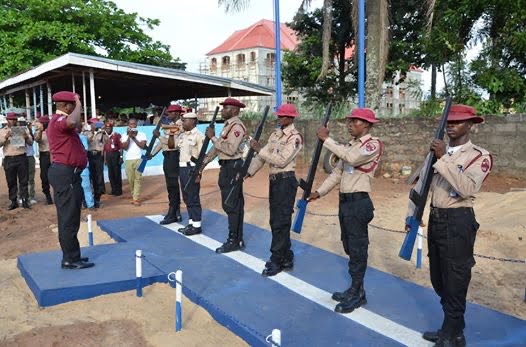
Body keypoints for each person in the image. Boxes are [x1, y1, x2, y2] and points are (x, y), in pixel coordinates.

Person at [407, 105, 492, 347]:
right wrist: (411, 215)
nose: (451, 125)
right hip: (436, 218)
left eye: (458, 121)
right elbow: (420, 186)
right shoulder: (436, 153)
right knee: (439, 279)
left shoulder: (479, 156)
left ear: (470, 125)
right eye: (449, 121)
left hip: (458, 221)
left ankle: (454, 334)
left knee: (455, 279)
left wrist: (443, 157)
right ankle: (451, 325)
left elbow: (467, 189)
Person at [308, 108, 383, 313]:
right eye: (350, 121)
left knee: (358, 249)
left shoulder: (372, 144)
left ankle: (358, 293)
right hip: (346, 202)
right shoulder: (349, 146)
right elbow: (337, 173)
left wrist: (327, 140)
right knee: (349, 246)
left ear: (367, 125)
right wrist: (319, 192)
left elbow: (352, 159)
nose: (350, 124)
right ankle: (354, 288)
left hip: (359, 203)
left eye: (355, 121)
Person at [246, 104, 303, 276]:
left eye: (284, 116)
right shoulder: (275, 134)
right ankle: (286, 255)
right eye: (279, 116)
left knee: (281, 221)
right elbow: (262, 157)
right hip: (275, 181)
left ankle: (277, 258)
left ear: (291, 118)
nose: (280, 118)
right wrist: (248, 171)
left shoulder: (295, 137)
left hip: (285, 181)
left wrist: (259, 149)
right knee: (276, 220)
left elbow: (281, 161)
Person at [47, 91, 93, 269]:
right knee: (68, 219)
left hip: (68, 174)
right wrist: (79, 103)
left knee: (70, 217)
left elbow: (77, 124)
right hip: (66, 174)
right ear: (67, 106)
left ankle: (73, 255)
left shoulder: (61, 122)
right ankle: (70, 259)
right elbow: (74, 121)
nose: (76, 110)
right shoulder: (59, 121)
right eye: (73, 106)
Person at [200, 97, 247, 253]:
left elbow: (230, 149)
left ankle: (233, 240)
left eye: (225, 108)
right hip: (227, 167)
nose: (222, 110)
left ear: (234, 110)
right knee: (234, 204)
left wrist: (212, 137)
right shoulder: (228, 126)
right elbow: (218, 148)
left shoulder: (236, 126)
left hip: (233, 167)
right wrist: (204, 161)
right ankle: (237, 239)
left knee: (231, 204)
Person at [151, 104, 184, 223]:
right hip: (168, 157)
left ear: (176, 113)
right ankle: (175, 211)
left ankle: (173, 211)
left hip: (173, 156)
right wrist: (152, 153)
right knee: (171, 185)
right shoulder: (171, 125)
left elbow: (172, 144)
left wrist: (159, 136)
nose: (168, 114)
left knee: (172, 185)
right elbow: (163, 144)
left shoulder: (180, 125)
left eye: (170, 113)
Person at [176, 112, 205, 235]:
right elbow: (175, 147)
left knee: (193, 196)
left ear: (192, 121)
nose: (182, 123)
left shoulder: (198, 136)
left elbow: (202, 157)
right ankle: (191, 222)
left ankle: (197, 225)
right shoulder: (182, 135)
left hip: (192, 169)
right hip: (182, 168)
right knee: (187, 197)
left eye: (185, 120)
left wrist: (199, 173)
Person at [0, 112, 32, 209]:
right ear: (7, 120)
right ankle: (13, 201)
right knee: (11, 181)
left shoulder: (23, 129)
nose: (13, 121)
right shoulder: (2, 131)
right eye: (11, 119)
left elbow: (30, 143)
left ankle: (25, 200)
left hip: (21, 157)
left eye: (14, 119)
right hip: (9, 158)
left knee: (24, 180)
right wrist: (6, 137)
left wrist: (26, 137)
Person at [121, 118, 147, 205]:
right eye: (131, 124)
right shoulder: (124, 135)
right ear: (128, 125)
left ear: (136, 125)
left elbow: (143, 146)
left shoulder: (142, 134)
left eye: (134, 124)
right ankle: (134, 195)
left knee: (138, 179)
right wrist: (129, 136)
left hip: (140, 159)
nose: (132, 126)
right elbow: (125, 148)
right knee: (130, 179)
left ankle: (136, 198)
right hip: (128, 159)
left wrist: (134, 138)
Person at [83, 117, 108, 208]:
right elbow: (87, 141)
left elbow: (107, 142)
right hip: (89, 155)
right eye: (92, 124)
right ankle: (86, 200)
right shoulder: (86, 133)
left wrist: (104, 133)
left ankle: (97, 199)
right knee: (87, 178)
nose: (94, 125)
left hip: (98, 156)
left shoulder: (101, 133)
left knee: (98, 178)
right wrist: (93, 133)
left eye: (96, 124)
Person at [34, 115, 53, 204]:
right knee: (44, 176)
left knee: (55, 175)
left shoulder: (53, 131)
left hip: (54, 155)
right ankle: (47, 195)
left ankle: (57, 194)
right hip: (44, 155)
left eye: (45, 122)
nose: (44, 124)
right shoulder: (38, 131)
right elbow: (37, 140)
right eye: (42, 122)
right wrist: (41, 131)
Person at [103, 121, 123, 196]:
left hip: (115, 155)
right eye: (106, 128)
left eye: (109, 128)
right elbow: (104, 149)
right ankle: (113, 189)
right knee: (110, 174)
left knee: (117, 173)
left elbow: (121, 147)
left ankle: (119, 190)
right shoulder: (104, 137)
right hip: (108, 156)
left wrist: (121, 157)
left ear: (112, 128)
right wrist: (105, 159)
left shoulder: (116, 135)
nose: (108, 130)